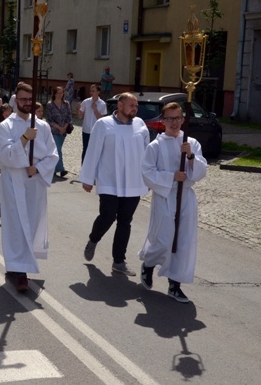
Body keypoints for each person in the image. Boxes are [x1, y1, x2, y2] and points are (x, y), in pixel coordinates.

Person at [138, 102, 207, 303]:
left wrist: (191, 156)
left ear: (183, 119)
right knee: (163, 239)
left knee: (183, 241)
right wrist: (171, 177)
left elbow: (201, 172)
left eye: (177, 118)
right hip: (165, 196)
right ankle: (149, 264)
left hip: (185, 197)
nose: (174, 122)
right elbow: (147, 172)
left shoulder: (191, 143)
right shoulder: (155, 146)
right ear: (163, 120)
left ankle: (174, 285)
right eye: (169, 118)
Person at [0, 82, 58, 292]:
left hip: (34, 182)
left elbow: (53, 154)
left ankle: (19, 264)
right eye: (22, 99)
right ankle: (19, 270)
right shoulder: (6, 126)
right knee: (15, 224)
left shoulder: (43, 126)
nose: (26, 103)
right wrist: (23, 139)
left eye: (29, 100)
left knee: (31, 222)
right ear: (15, 100)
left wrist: (38, 168)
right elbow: (4, 156)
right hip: (14, 181)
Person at [78, 92, 149, 276]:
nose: (135, 108)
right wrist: (88, 178)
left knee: (125, 222)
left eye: (136, 106)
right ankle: (93, 239)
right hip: (109, 180)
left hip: (133, 182)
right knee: (107, 216)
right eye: (131, 105)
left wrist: (147, 179)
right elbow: (93, 151)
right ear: (120, 105)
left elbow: (147, 155)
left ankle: (119, 261)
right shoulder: (103, 124)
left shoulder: (140, 125)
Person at [46, 86, 73, 178]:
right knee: (57, 149)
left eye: (61, 93)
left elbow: (69, 117)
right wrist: (58, 127)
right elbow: (49, 119)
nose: (60, 95)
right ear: (54, 93)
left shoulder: (66, 104)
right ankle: (61, 169)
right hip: (54, 130)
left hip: (63, 131)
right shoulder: (50, 105)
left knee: (57, 150)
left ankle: (52, 168)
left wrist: (64, 128)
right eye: (58, 93)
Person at [78, 84, 107, 164]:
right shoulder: (86, 102)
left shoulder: (102, 104)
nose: (91, 93)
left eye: (93, 91)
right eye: (90, 91)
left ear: (98, 92)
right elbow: (80, 117)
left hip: (96, 130)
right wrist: (79, 111)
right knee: (85, 149)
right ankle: (83, 167)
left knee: (95, 150)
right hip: (86, 130)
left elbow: (101, 119)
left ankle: (93, 167)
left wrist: (95, 109)